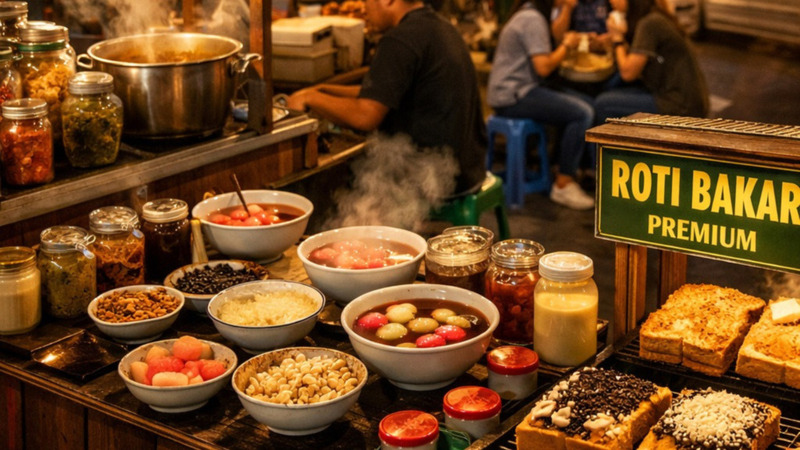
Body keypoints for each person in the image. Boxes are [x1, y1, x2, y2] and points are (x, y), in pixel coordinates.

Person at [287, 0, 487, 197]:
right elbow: (380, 93)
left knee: (327, 182)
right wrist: (323, 90)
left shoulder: (399, 39)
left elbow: (366, 115)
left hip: (435, 179)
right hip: (469, 170)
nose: (365, 8)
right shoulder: (438, 26)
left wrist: (310, 98)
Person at [487, 0, 596, 210]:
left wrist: (567, 8)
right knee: (582, 113)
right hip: (512, 95)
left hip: (513, 91)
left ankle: (560, 170)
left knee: (584, 104)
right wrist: (567, 45)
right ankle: (564, 184)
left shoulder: (531, 12)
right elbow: (544, 67)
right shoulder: (533, 18)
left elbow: (553, 38)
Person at [595, 0, 708, 122]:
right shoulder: (653, 16)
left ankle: (603, 140)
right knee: (612, 88)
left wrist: (617, 38)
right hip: (676, 95)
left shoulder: (650, 23)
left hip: (680, 103)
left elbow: (628, 73)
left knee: (603, 104)